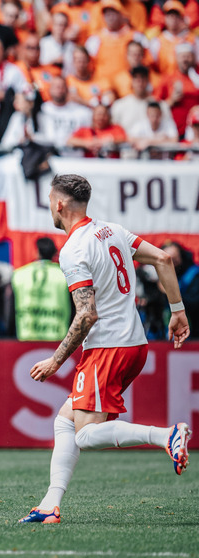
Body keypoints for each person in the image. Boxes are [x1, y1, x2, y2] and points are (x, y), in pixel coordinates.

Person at [19, 174, 191, 525]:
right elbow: (163, 259)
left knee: (83, 433)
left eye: (50, 200)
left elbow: (87, 315)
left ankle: (166, 435)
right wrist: (177, 311)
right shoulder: (111, 230)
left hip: (108, 348)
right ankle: (50, 505)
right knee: (66, 422)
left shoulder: (73, 250)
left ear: (59, 205)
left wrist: (55, 360)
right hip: (134, 344)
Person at [12, 237, 72, 341]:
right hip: (58, 340)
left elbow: (10, 309)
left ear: (37, 252)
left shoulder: (18, 274)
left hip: (26, 337)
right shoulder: (65, 276)